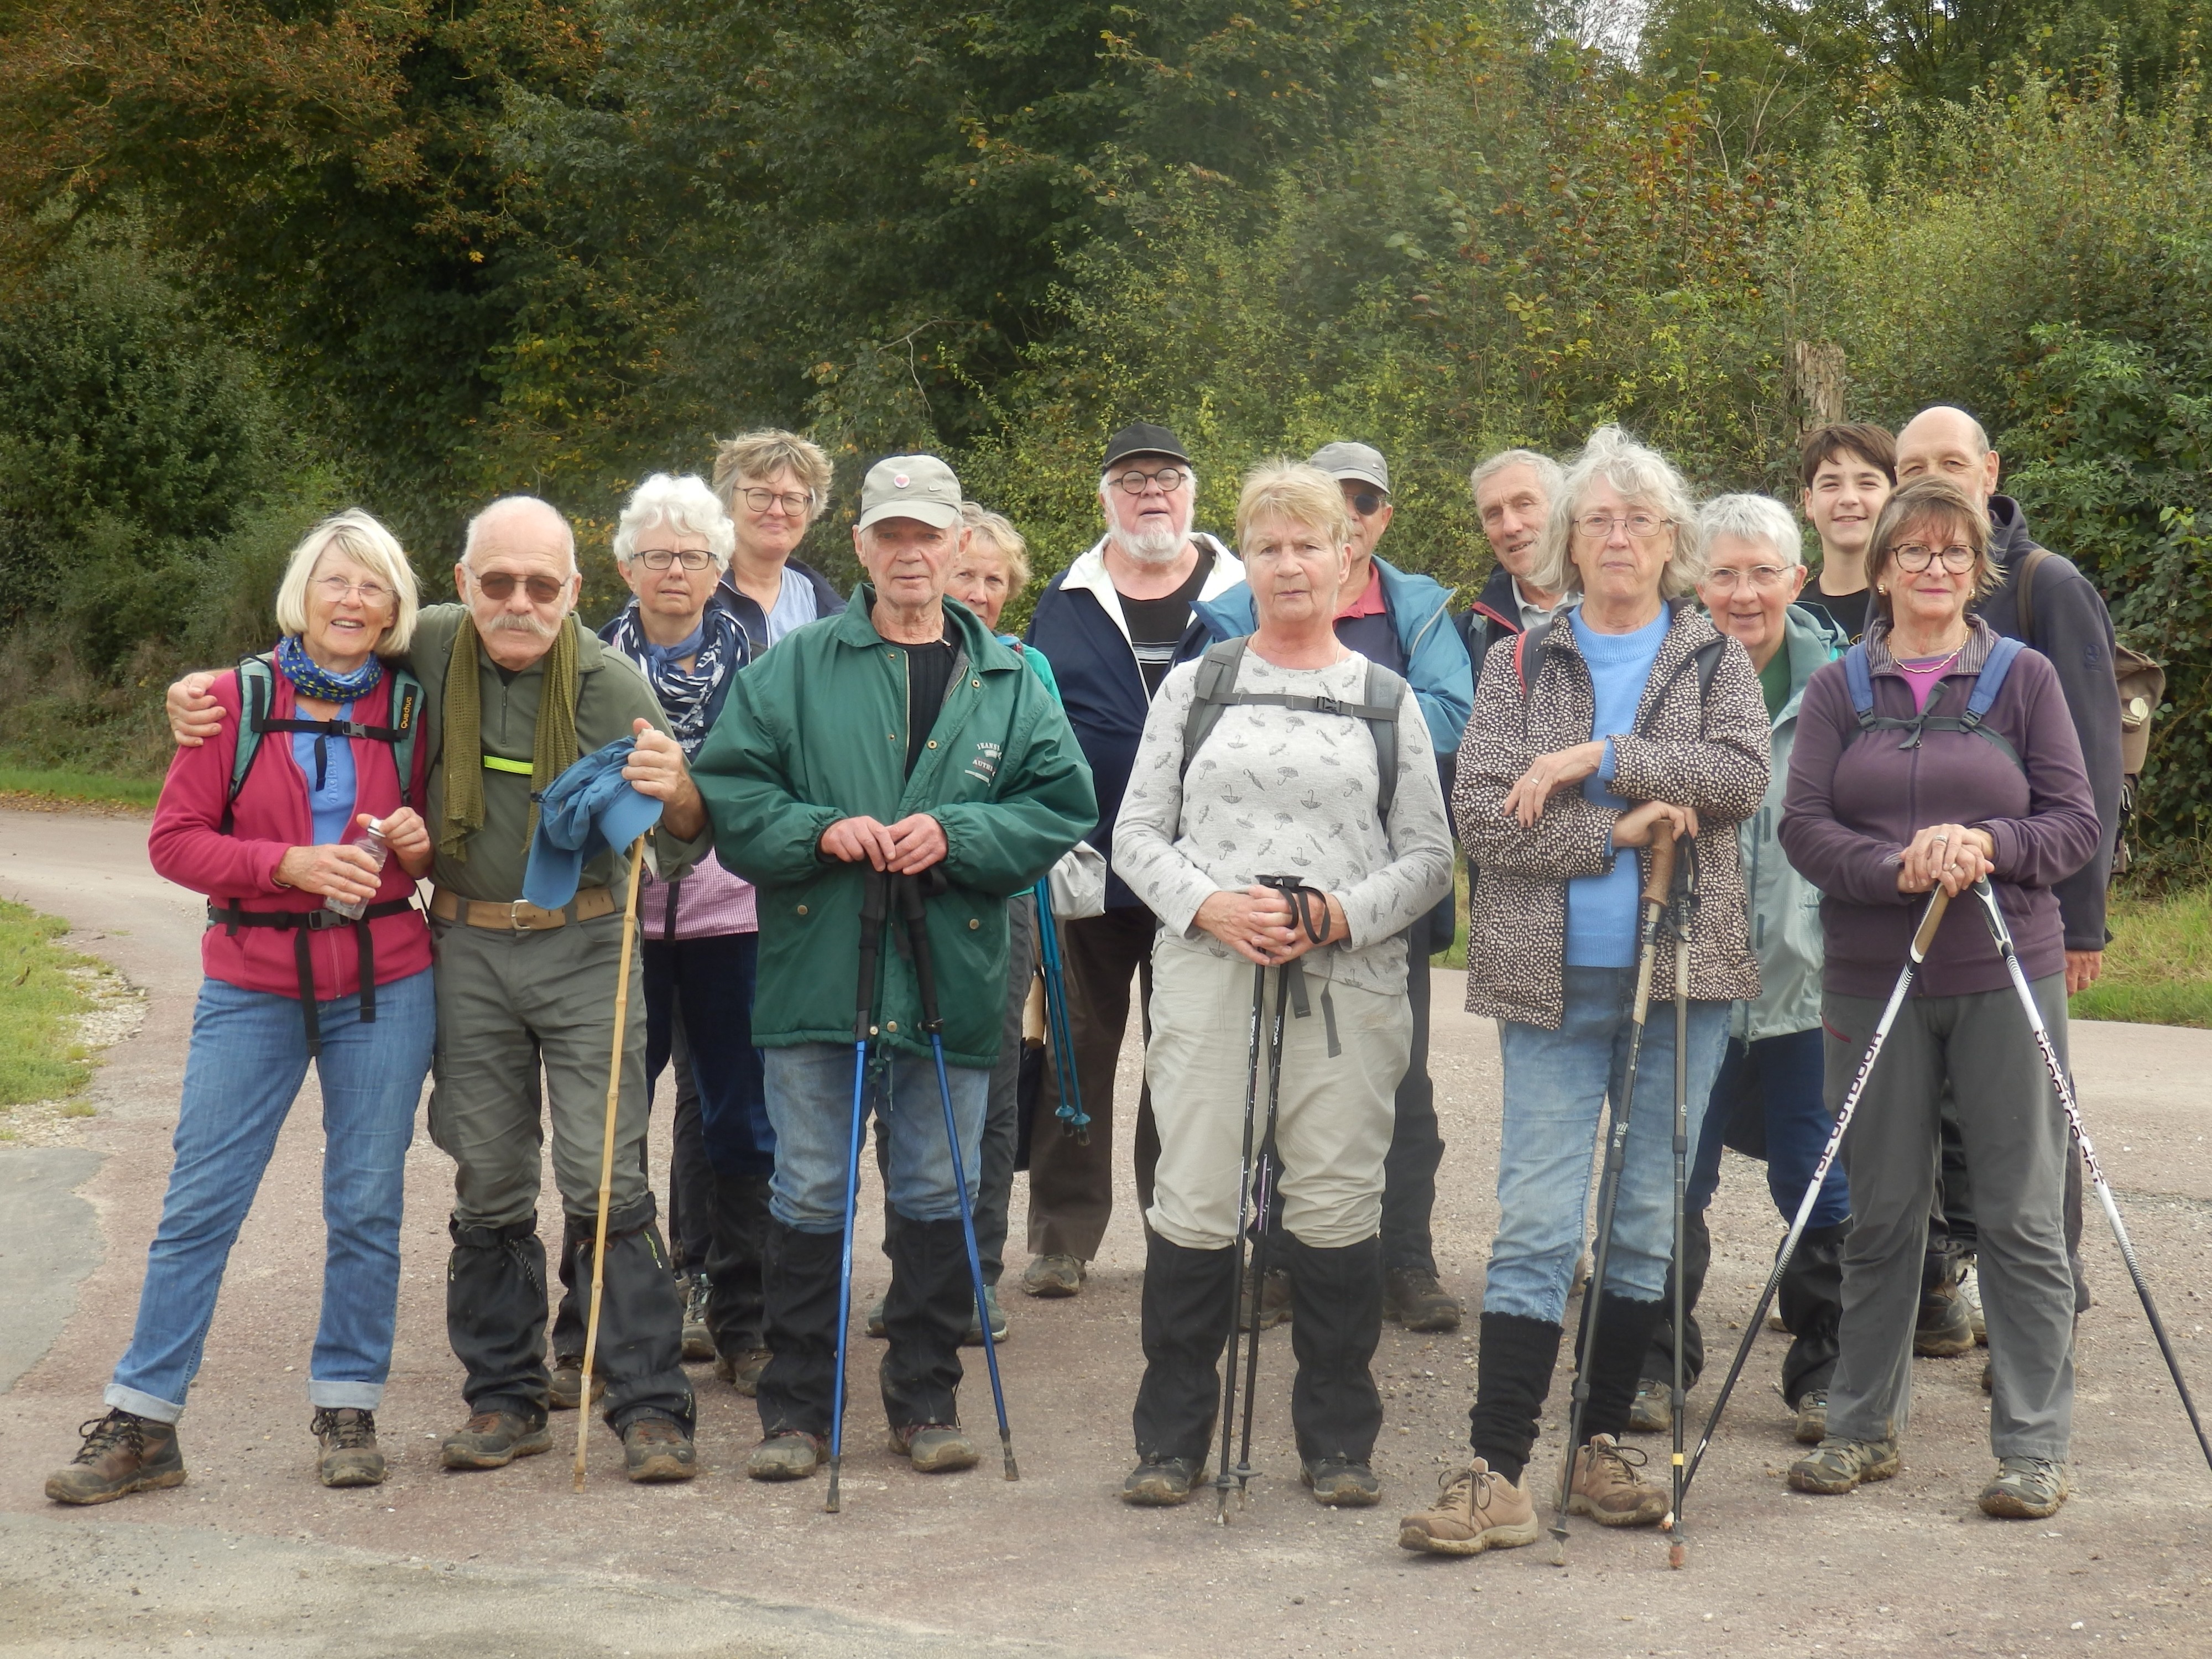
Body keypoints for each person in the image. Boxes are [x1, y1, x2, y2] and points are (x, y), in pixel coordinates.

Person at [165, 495, 712, 1484]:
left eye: (541, 586)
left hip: (588, 946)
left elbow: (685, 831)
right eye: (496, 581)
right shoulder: (432, 647)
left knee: (604, 1176)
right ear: (463, 585)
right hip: (463, 946)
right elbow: (319, 654)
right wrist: (197, 690)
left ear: (573, 592)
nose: (518, 602)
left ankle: (649, 1404)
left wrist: (677, 788)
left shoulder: (609, 679)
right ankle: (502, 1399)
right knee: (489, 1172)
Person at [1397, 425, 1768, 1557]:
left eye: (1638, 521)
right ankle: (1496, 1468)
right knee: (1534, 1220)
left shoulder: (1713, 660)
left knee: (1648, 1216)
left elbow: (1739, 779)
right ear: (1568, 539)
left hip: (1681, 977)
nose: (1617, 538)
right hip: (1545, 979)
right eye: (1597, 520)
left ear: (1671, 543)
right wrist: (1615, 829)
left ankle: (1603, 1443)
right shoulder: (1515, 659)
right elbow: (1478, 820)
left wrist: (1592, 759)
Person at [691, 454, 1095, 1483]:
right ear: (862, 546)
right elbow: (731, 796)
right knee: (811, 1185)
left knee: (934, 1186)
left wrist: (954, 833)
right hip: (819, 960)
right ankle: (796, 1409)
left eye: (930, 535)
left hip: (951, 967)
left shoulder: (1011, 676)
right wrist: (822, 833)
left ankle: (924, 1398)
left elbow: (1060, 806)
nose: (912, 554)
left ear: (961, 545)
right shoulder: (790, 668)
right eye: (892, 536)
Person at [46, 512, 436, 1505]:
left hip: (386, 979)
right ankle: (144, 1421)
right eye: (335, 582)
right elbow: (174, 842)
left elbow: (445, 842)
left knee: (366, 1206)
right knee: (199, 1206)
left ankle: (348, 1406)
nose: (353, 602)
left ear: (396, 608)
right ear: (301, 593)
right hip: (251, 982)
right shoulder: (229, 699)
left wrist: (421, 846)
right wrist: (288, 863)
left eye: (374, 588)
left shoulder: (417, 706)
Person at [1113, 460, 1453, 1506]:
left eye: (1310, 544)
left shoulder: (1389, 700)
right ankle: (1172, 1442)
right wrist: (1212, 904)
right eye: (1268, 546)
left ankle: (1339, 1442)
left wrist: (1338, 915)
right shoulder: (1196, 683)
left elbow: (1432, 860)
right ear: (1244, 562)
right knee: (1197, 1197)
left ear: (1349, 558)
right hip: (1208, 974)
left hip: (1345, 990)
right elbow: (1132, 835)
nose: (1290, 563)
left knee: (1339, 1203)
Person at [1778, 475, 2101, 1520]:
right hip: (1873, 979)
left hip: (2007, 972)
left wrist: (1989, 845)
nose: (1932, 572)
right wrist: (1897, 868)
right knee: (1881, 1214)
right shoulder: (1839, 688)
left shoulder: (2023, 677)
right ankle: (1864, 1429)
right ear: (1879, 568)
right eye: (1911, 554)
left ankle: (2033, 1448)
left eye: (1953, 555)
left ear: (1978, 568)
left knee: (2017, 1214)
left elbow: (2072, 824)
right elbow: (1806, 831)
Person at [1191, 440, 1472, 1334]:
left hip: (1380, 896)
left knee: (1401, 1085)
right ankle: (1275, 1261)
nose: (1348, 516)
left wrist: (1341, 730)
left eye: (1366, 502)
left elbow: (1452, 714)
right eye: (1332, 500)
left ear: (1382, 519)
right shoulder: (1233, 608)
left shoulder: (1420, 608)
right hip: (1258, 900)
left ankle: (1407, 1261)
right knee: (1270, 1081)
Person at [1623, 493, 1850, 1443]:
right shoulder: (1650, 679)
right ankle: (1648, 1369)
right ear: (1694, 582)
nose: (1743, 593)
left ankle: (1831, 1374)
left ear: (1798, 581)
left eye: (1764, 573)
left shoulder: (1849, 690)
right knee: (1668, 1174)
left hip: (1809, 982)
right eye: (1724, 573)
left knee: (1820, 1176)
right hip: (1685, 979)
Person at [1896, 404, 2122, 1325]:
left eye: (1953, 460)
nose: (1937, 476)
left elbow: (2094, 767)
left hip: (2026, 896)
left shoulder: (2044, 587)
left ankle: (2045, 1297)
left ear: (1989, 471)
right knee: (1937, 1111)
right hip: (1917, 897)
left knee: (2031, 1117)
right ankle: (1947, 1280)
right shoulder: (1903, 589)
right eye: (1915, 464)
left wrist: (2082, 916)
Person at [1018, 422, 1245, 1300]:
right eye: (1131, 479)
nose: (1151, 491)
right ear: (1105, 497)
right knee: (1077, 1047)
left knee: (1186, 1052)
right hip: (1087, 864)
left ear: (1193, 493)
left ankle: (1179, 1232)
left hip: (1205, 872)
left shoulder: (1240, 590)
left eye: (1167, 477)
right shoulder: (1066, 597)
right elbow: (1034, 721)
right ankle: (1062, 1239)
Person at [578, 474, 775, 1407]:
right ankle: (601, 1329)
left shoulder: (764, 661)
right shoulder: (585, 665)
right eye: (656, 555)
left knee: (742, 1119)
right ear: (625, 566)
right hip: (620, 919)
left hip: (732, 916)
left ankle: (744, 1321)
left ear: (718, 566)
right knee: (613, 1119)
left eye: (693, 556)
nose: (674, 572)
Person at [865, 503, 1058, 1349]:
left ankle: (974, 1272)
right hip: (884, 895)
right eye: (967, 573)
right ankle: (912, 1269)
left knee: (989, 1084)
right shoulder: (883, 659)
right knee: (890, 1074)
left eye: (994, 580)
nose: (977, 592)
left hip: (994, 902)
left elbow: (1051, 800)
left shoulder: (1027, 670)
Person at [711, 428, 846, 650]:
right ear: (728, 504)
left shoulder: (828, 611)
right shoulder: (691, 590)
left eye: (792, 499)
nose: (777, 511)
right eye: (760, 495)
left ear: (810, 511)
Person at [1459, 448, 1567, 675]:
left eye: (1524, 504)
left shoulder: (1624, 599)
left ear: (1562, 508)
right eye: (1494, 514)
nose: (1510, 526)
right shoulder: (1470, 637)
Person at [1796, 422, 1896, 644]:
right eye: (1831, 485)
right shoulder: (1793, 615)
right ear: (1809, 501)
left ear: (1894, 498)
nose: (1849, 498)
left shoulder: (1912, 604)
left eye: (1867, 484)